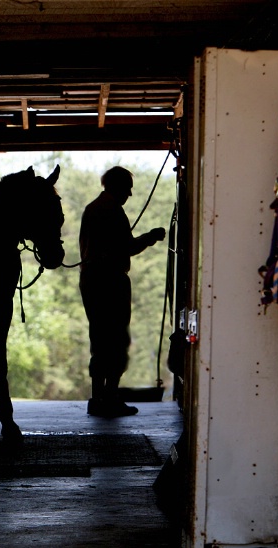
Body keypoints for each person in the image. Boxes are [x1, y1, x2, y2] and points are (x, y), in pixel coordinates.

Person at [79, 166, 166, 417]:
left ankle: (97, 398)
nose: (130, 194)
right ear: (118, 187)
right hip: (111, 282)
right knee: (116, 341)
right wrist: (150, 237)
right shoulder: (112, 212)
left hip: (91, 280)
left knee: (99, 338)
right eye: (127, 188)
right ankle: (111, 398)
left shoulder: (92, 209)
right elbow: (126, 248)